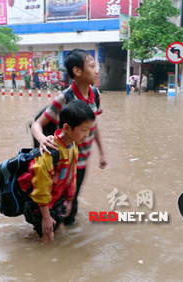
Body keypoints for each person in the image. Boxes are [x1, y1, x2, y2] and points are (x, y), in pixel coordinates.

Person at [31, 49, 107, 226]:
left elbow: (94, 126)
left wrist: (102, 152)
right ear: (77, 71)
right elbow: (37, 124)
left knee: (71, 203)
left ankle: (65, 237)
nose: (97, 70)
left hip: (82, 161)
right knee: (55, 203)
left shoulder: (95, 94)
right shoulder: (64, 98)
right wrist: (42, 139)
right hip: (64, 163)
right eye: (92, 66)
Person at [20, 100, 96, 242]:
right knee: (47, 236)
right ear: (67, 128)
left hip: (56, 198)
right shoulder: (50, 153)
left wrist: (69, 199)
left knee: (59, 229)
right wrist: (46, 216)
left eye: (89, 130)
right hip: (39, 203)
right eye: (84, 130)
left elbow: (71, 174)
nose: (87, 135)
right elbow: (40, 187)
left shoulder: (73, 145)